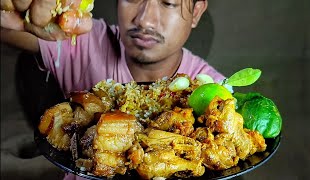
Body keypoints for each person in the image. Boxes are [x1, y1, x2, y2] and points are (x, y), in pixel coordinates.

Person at [1, 0, 225, 179]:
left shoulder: (219, 97)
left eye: (167, 3)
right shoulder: (78, 39)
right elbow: (9, 24)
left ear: (196, 12)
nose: (145, 19)